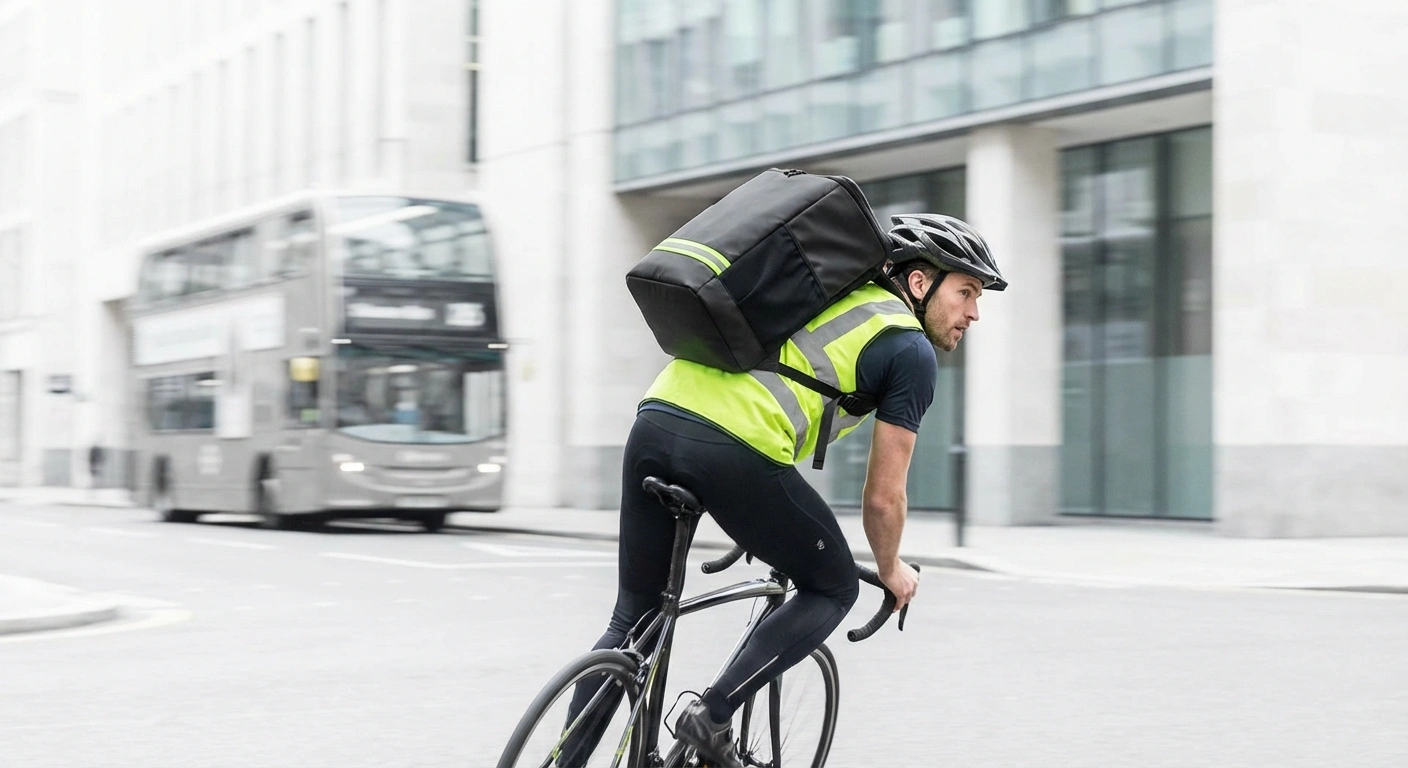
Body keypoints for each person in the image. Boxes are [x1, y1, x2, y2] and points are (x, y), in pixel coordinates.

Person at [566, 213, 1006, 766]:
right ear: (920, 284)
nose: (974, 312)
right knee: (833, 586)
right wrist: (892, 569)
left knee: (633, 616)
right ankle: (711, 717)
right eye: (966, 292)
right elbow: (883, 497)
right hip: (733, 450)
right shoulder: (908, 348)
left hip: (655, 420)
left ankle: (565, 760)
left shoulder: (820, 296)